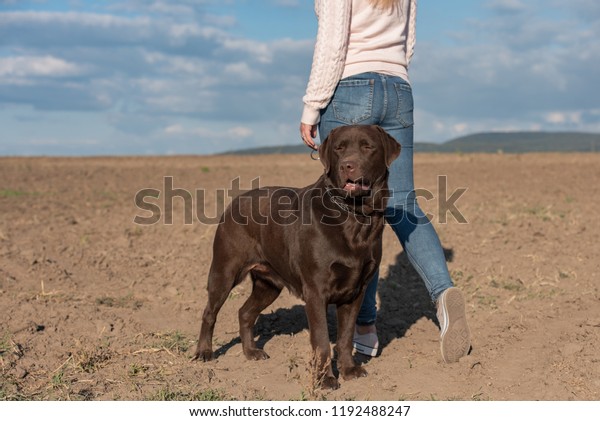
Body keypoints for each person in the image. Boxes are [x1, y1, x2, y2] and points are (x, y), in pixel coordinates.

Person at [300, 0, 471, 363]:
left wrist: (312, 106)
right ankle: (443, 294)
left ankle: (365, 328)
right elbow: (407, 43)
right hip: (398, 88)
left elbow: (332, 43)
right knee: (403, 204)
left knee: (353, 212)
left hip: (349, 87)